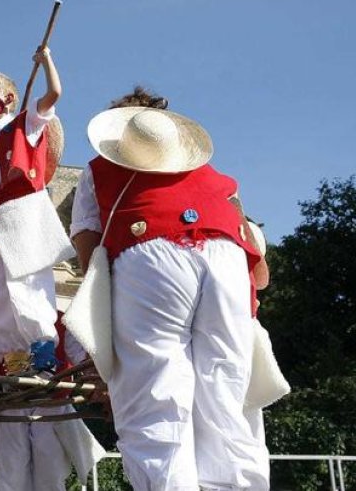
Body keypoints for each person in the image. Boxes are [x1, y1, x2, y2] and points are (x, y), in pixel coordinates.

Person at [69, 87, 269, 491]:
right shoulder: (215, 177)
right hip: (227, 259)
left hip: (149, 255)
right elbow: (258, 265)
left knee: (156, 397)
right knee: (226, 397)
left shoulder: (99, 170)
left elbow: (88, 246)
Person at [0, 47, 73, 379]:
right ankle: (9, 360)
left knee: (28, 284)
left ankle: (42, 352)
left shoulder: (25, 124)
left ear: (9, 97)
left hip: (21, 212)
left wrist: (47, 60)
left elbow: (54, 93)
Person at [0, 310, 105, 491]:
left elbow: (81, 357)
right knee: (11, 475)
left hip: (52, 405)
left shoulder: (64, 321)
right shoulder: (4, 318)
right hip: (11, 403)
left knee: (51, 474)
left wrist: (97, 377)